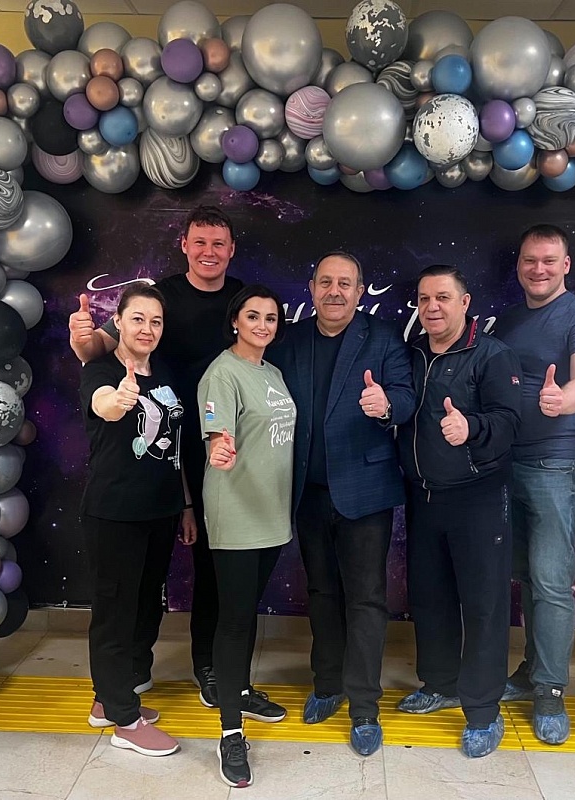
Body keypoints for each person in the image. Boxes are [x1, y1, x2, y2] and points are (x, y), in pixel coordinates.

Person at [69, 205, 243, 706]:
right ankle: (118, 692)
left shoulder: (242, 299)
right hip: (133, 483)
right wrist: (85, 344)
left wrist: (185, 501)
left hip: (200, 459)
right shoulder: (157, 296)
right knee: (120, 597)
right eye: (199, 241)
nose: (208, 252)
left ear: (231, 250)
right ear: (184, 245)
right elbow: (98, 365)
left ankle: (182, 670)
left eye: (218, 243)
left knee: (166, 583)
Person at [268, 251, 416, 756]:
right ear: (312, 288)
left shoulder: (383, 338)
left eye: (345, 283)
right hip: (308, 493)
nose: (335, 291)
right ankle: (327, 683)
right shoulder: (290, 340)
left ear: (359, 291)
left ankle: (364, 707)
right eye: (326, 282)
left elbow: (406, 395)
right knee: (322, 592)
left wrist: (387, 405)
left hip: (365, 493)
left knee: (367, 599)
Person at [397, 265, 521, 759]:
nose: (432, 307)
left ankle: (484, 710)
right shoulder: (412, 354)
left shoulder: (492, 354)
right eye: (424, 298)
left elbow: (510, 421)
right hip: (424, 497)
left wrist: (471, 427)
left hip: (478, 497)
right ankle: (441, 684)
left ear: (465, 303)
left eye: (443, 297)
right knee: (430, 598)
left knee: (484, 605)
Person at [491, 225, 575, 744]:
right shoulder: (508, 319)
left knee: (553, 580)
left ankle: (551, 691)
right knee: (528, 577)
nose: (538, 269)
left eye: (548, 260)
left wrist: (566, 400)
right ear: (519, 265)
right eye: (529, 260)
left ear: (565, 265)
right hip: (507, 464)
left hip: (557, 464)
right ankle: (531, 672)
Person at [78, 283, 196, 758]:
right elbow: (103, 404)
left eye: (155, 321)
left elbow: (176, 446)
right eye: (138, 319)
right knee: (115, 613)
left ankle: (110, 699)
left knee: (146, 607)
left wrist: (185, 505)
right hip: (115, 514)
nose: (147, 329)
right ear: (119, 322)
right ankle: (125, 720)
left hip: (161, 511)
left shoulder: (165, 372)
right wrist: (120, 399)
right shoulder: (102, 370)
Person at [197, 285, 295, 787]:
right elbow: (218, 432)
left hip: (272, 512)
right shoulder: (222, 373)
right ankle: (230, 732)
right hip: (236, 511)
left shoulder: (272, 373)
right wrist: (218, 446)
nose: (262, 325)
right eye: (252, 316)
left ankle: (238, 691)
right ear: (235, 320)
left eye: (271, 318)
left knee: (246, 611)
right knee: (234, 623)